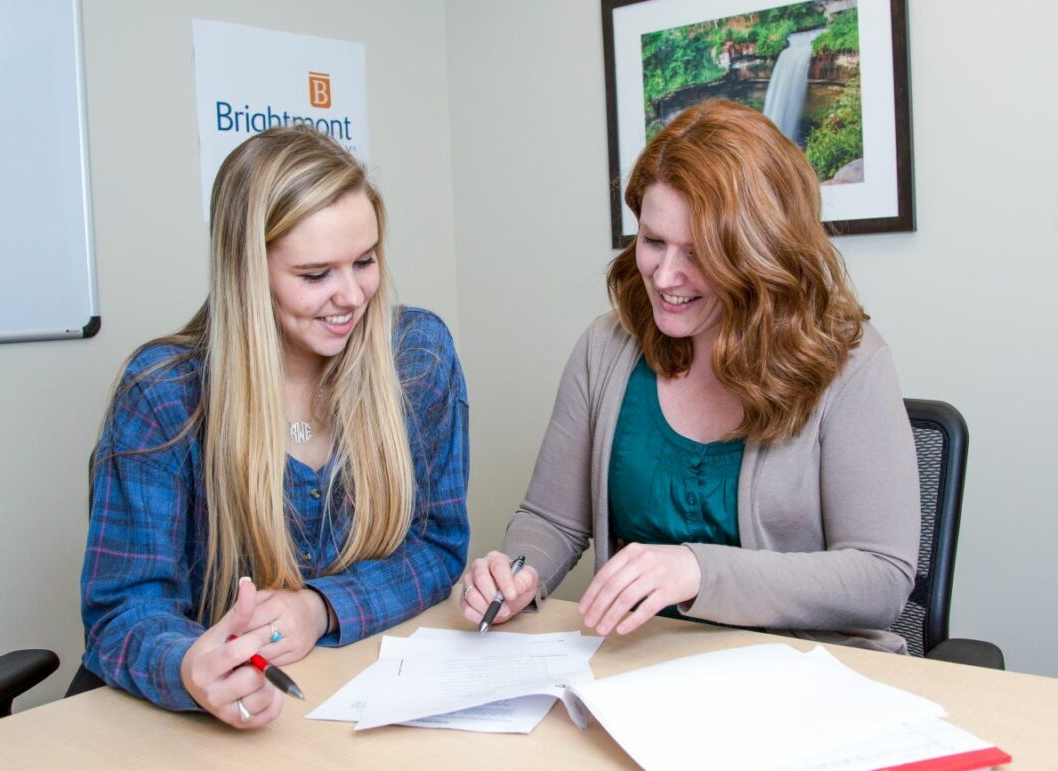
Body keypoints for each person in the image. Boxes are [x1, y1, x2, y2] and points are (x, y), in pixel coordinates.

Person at [460, 99, 919, 653]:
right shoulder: (606, 349)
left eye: (700, 254)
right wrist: (517, 575)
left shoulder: (851, 361)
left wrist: (699, 571)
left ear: (759, 254)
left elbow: (881, 576)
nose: (664, 276)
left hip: (806, 683)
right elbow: (551, 520)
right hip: (638, 675)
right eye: (653, 241)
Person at [78, 126, 469, 728]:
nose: (352, 296)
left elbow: (438, 546)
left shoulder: (417, 355)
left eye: (365, 261)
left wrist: (319, 608)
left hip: (352, 700)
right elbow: (121, 611)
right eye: (315, 275)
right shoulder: (163, 394)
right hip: (200, 726)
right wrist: (189, 665)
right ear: (246, 271)